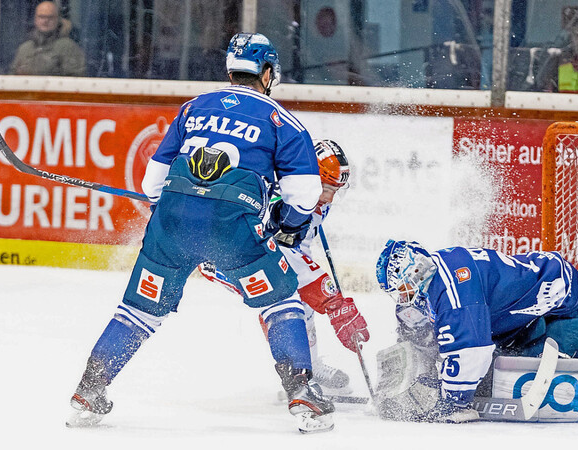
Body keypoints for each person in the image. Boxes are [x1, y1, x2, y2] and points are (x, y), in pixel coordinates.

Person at [66, 33, 367, 434]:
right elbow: (305, 194)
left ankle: (88, 391)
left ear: (229, 70)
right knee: (280, 301)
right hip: (235, 225)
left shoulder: (193, 108)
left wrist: (180, 213)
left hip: (170, 224)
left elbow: (151, 182)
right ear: (267, 73)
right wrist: (290, 227)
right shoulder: (281, 119)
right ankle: (303, 394)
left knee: (138, 311)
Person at [198, 139, 367, 397]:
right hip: (226, 258)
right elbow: (281, 256)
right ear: (309, 179)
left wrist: (319, 293)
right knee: (283, 298)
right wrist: (332, 299)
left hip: (266, 254)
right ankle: (298, 379)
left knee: (301, 298)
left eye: (336, 189)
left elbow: (300, 248)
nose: (329, 196)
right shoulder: (281, 200)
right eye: (325, 188)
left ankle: (310, 365)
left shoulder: (314, 198)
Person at [375, 241, 578, 422]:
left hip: (559, 304)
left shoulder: (457, 290)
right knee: (489, 374)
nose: (403, 296)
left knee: (562, 379)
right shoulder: (428, 281)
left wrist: (453, 402)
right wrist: (414, 377)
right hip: (510, 321)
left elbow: (472, 350)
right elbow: (417, 337)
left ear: (416, 270)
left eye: (403, 288)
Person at [10, 1, 86, 76]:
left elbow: (76, 81)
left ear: (58, 20)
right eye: (41, 17)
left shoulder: (68, 47)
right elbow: (11, 78)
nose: (45, 21)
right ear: (35, 20)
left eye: (50, 17)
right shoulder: (25, 49)